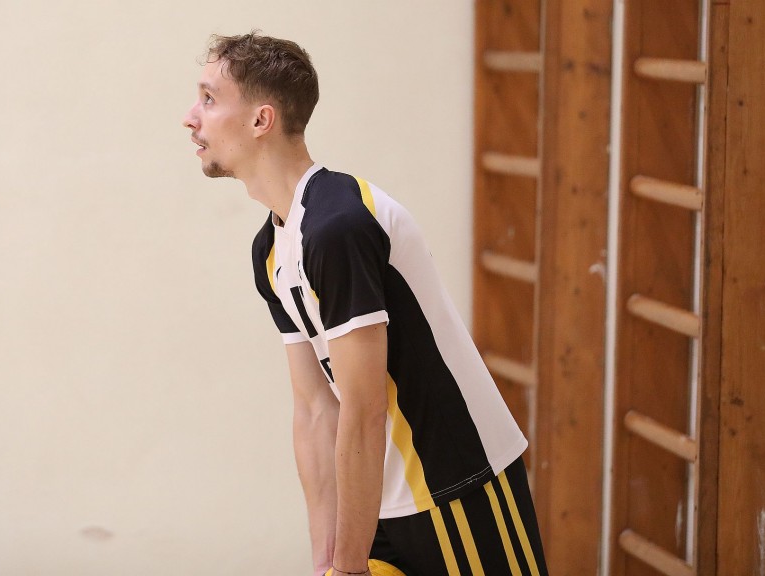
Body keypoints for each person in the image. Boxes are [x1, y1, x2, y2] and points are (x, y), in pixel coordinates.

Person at [182, 32, 548, 576]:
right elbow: (315, 410)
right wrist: (328, 560)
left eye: (209, 99)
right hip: (375, 505)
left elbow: (363, 406)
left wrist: (350, 566)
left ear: (261, 120)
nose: (191, 117)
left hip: (457, 488)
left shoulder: (339, 226)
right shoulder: (272, 248)